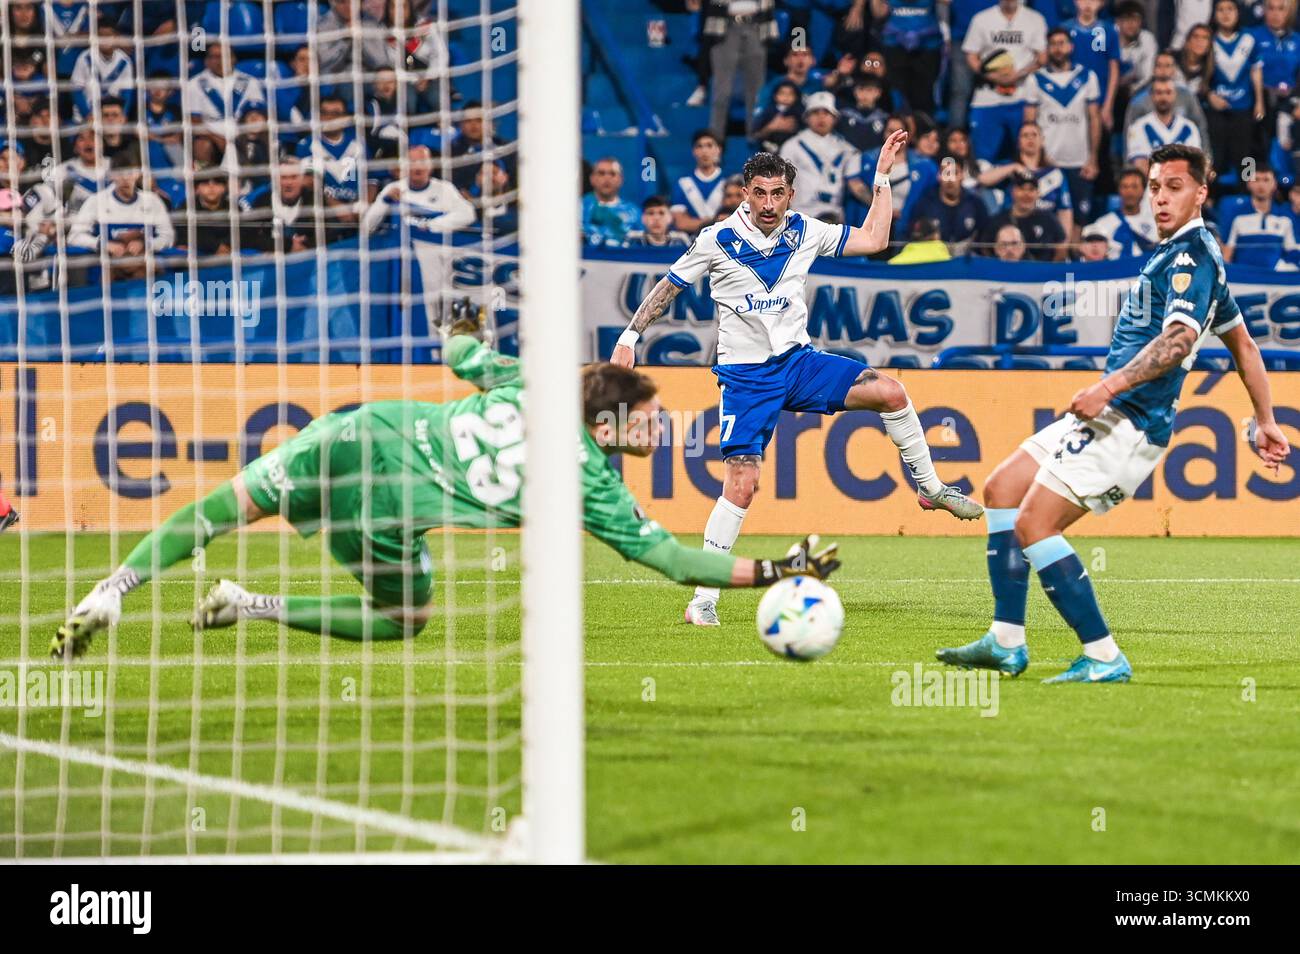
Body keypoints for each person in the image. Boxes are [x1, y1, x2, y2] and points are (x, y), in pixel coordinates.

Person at [52, 323, 842, 658]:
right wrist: (779, 570)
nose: (661, 427)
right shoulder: (587, 484)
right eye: (650, 418)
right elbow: (675, 564)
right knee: (404, 619)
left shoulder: (532, 380)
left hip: (353, 439)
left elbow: (460, 350)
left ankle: (115, 590)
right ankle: (251, 605)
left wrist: (464, 323)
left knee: (221, 510)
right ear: (610, 423)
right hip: (389, 518)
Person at [936, 143, 1290, 683]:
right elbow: (1244, 345)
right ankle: (1006, 640)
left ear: (1201, 192)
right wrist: (1265, 420)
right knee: (1002, 489)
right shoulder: (1184, 253)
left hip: (1131, 420)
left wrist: (1108, 387)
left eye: (1174, 187)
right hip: (1114, 410)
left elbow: (1177, 341)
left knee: (1034, 525)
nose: (1160, 198)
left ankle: (1103, 655)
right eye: (1155, 187)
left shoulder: (1191, 257)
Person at [609, 135, 983, 628]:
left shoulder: (806, 230)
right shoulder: (716, 239)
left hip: (799, 363)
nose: (768, 204)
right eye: (759, 193)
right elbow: (669, 287)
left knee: (891, 392)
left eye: (778, 193)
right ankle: (702, 598)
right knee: (743, 484)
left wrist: (882, 176)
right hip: (746, 378)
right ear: (745, 192)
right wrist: (630, 337)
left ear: (791, 194)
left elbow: (874, 240)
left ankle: (930, 488)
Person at [1023, 27, 1101, 229]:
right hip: (1047, 163)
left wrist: (1093, 159)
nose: (1058, 48)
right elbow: (1029, 124)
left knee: (1079, 220)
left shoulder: (1087, 77)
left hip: (1079, 163)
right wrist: (1035, 160)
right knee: (1045, 219)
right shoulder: (1035, 80)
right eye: (1053, 44)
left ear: (1071, 46)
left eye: (1062, 43)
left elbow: (1094, 119)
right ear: (1047, 48)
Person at [963, 0, 1049, 162]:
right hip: (987, 99)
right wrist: (992, 76)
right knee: (982, 158)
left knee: (1027, 157)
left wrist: (1018, 75)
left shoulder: (1035, 19)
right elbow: (971, 55)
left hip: (1023, 99)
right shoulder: (981, 19)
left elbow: (1042, 58)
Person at [779, 91, 867, 222]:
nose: (821, 118)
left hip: (834, 216)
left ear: (834, 118)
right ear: (807, 117)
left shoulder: (847, 149)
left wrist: (880, 205)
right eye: (815, 113)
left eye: (826, 113)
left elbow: (856, 186)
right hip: (800, 215)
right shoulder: (792, 146)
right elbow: (781, 183)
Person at [1206, 0, 1266, 184]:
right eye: (1221, 9)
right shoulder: (1209, 39)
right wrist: (1209, 95)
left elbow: (1256, 70)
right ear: (1214, 14)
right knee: (1215, 154)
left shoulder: (1249, 38)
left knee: (1246, 155)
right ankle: (1213, 194)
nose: (1226, 14)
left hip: (1244, 106)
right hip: (1217, 109)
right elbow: (1201, 76)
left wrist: (1259, 102)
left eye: (1230, 9)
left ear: (1238, 12)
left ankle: (1247, 190)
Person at [980, 168, 1068, 259]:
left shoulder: (1049, 220)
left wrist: (1050, 267)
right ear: (1013, 192)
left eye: (1031, 189)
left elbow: (1061, 246)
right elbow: (984, 248)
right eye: (1021, 189)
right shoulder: (997, 221)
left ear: (1038, 193)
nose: (1026, 194)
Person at [1125, 77, 1204, 175]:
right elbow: (1141, 165)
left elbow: (1194, 164)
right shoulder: (1138, 127)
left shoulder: (1189, 127)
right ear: (1152, 96)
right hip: (1151, 183)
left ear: (1175, 95)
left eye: (1168, 92)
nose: (1163, 97)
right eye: (1159, 93)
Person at [1088, 165, 1159, 257]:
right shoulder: (1103, 224)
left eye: (1134, 187)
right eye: (1125, 187)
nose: (1129, 192)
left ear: (1143, 190)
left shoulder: (1157, 222)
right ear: (1118, 190)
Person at [670, 130, 726, 234]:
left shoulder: (729, 181)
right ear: (694, 151)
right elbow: (681, 223)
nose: (704, 151)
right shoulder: (683, 183)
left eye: (709, 145)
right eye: (699, 146)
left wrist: (695, 223)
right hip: (691, 241)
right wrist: (716, 222)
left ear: (719, 150)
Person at [626, 196, 692, 247]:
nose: (656, 218)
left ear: (670, 218)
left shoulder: (681, 239)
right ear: (643, 218)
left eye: (661, 213)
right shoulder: (632, 239)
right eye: (650, 213)